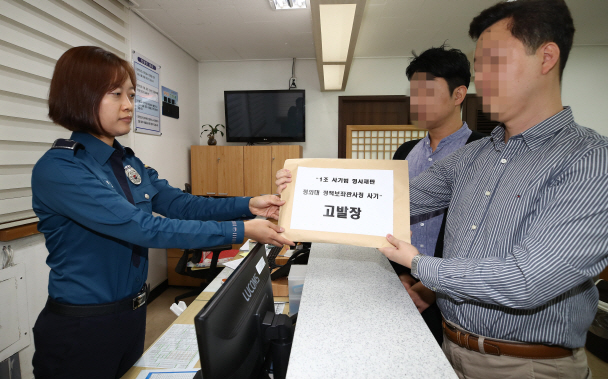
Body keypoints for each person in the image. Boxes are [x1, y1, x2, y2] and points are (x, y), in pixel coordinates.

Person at [31, 46, 293, 379]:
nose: (129, 105)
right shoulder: (61, 168)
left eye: (131, 94)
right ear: (80, 97)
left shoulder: (126, 161)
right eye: (115, 94)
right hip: (83, 326)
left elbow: (182, 204)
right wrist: (242, 230)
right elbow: (143, 228)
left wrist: (247, 204)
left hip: (131, 317)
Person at [378, 0, 608, 378]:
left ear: (546, 57)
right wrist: (307, 189)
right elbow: (397, 198)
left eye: (493, 62)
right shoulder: (474, 156)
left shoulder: (590, 160)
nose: (481, 79)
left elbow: (527, 280)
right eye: (478, 65)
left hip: (528, 365)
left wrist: (419, 265)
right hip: (449, 350)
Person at [391, 45, 484, 345]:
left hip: (450, 299)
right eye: (413, 93)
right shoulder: (404, 153)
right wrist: (402, 275)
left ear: (458, 95)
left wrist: (431, 287)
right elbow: (390, 214)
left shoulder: (483, 152)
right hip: (399, 286)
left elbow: (482, 235)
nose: (416, 102)